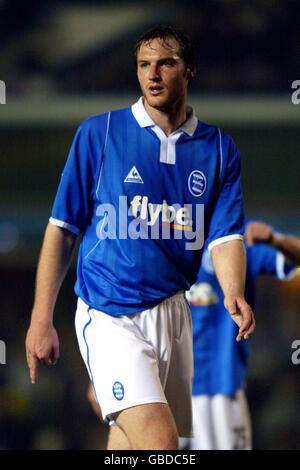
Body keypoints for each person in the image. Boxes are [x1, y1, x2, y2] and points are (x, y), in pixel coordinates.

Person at [25, 25, 255, 450]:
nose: (153, 74)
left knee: (131, 444)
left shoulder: (219, 149)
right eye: (144, 65)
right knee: (160, 445)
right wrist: (42, 318)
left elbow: (225, 236)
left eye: (166, 63)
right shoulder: (100, 134)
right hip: (111, 314)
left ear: (190, 71)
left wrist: (233, 291)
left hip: (173, 314)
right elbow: (62, 230)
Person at [183, 219, 299, 450]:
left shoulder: (240, 235)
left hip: (220, 386)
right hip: (163, 385)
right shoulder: (159, 228)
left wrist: (275, 240)